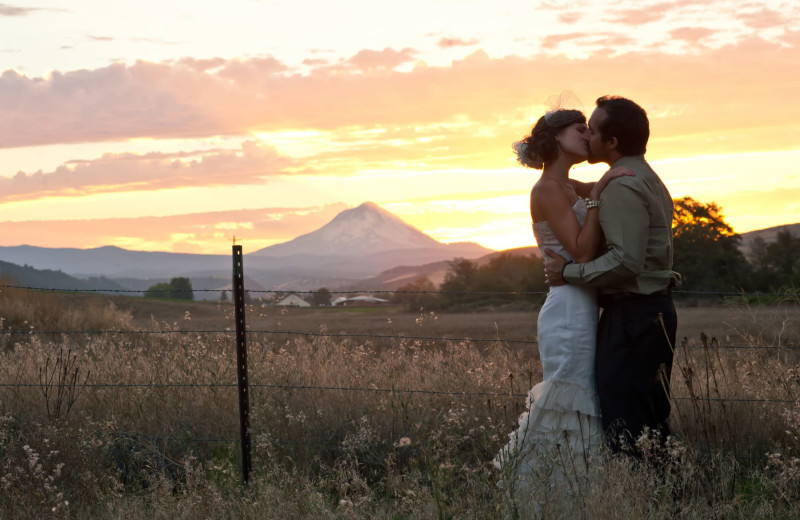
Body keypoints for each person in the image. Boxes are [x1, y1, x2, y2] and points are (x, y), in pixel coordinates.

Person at [493, 94, 633, 501]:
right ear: (556, 137)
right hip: (568, 310)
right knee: (569, 399)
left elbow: (601, 192)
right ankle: (543, 494)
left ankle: (573, 492)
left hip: (581, 304)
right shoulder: (549, 189)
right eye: (580, 129)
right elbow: (582, 252)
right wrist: (595, 198)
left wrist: (605, 182)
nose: (588, 135)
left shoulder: (567, 184)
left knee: (579, 399)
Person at [543, 95, 680, 457]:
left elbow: (626, 262)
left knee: (626, 420)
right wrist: (596, 188)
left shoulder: (623, 185)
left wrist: (569, 271)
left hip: (634, 316)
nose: (588, 136)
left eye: (592, 129)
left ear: (613, 142)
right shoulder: (644, 177)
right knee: (649, 417)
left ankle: (646, 499)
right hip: (650, 311)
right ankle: (662, 497)